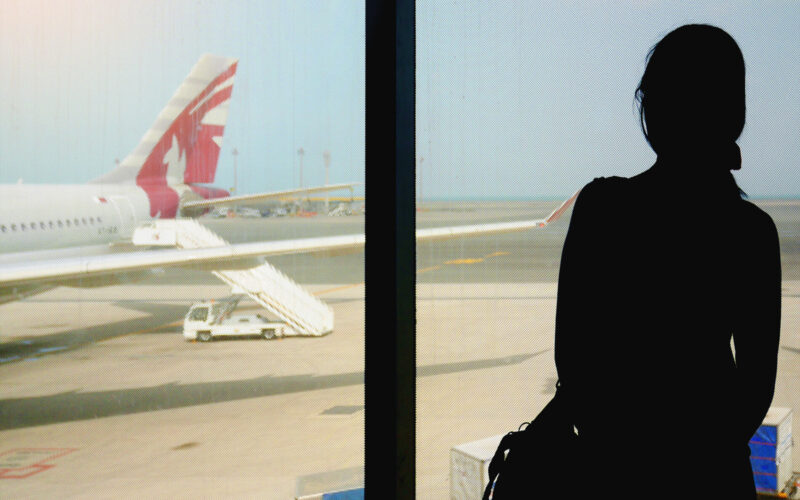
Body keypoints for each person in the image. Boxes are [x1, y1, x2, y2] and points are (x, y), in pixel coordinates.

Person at [554, 25, 781, 498]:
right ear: (733, 116)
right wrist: (699, 458)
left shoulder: (601, 207)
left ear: (652, 109)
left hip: (612, 471)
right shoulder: (752, 232)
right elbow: (756, 387)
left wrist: (619, 454)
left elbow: (573, 361)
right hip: (713, 475)